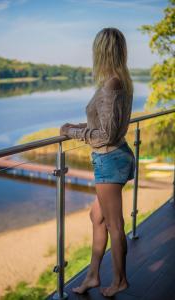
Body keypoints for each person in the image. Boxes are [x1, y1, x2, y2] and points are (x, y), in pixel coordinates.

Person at [60, 27, 135, 297]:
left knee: (115, 225)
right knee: (97, 215)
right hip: (114, 156)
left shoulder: (113, 82)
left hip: (110, 159)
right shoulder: (118, 80)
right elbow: (102, 124)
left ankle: (120, 280)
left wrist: (72, 132)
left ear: (102, 50)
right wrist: (77, 126)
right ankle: (93, 275)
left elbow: (106, 134)